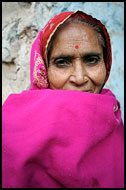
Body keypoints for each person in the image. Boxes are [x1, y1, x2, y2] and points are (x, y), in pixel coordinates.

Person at [2, 10, 124, 188]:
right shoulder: (9, 129)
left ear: (106, 65)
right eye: (62, 62)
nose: (80, 77)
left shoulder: (113, 124)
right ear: (43, 69)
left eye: (91, 60)